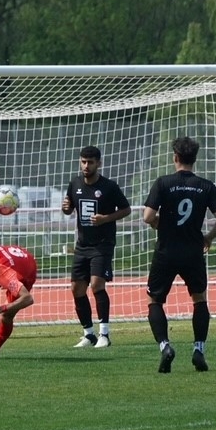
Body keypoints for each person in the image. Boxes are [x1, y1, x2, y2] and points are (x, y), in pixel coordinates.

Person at [143, 136, 216, 373]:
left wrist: (161, 224)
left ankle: (165, 346)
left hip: (166, 251)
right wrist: (208, 237)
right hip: (193, 251)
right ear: (194, 159)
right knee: (199, 299)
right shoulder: (206, 186)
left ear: (175, 157)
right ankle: (198, 349)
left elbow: (148, 217)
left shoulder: (163, 183)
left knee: (154, 300)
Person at [62, 146, 131, 348]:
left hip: (103, 245)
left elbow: (126, 209)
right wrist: (65, 208)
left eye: (90, 162)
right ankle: (88, 334)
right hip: (82, 245)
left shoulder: (109, 186)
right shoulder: (74, 184)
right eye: (83, 162)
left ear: (98, 163)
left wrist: (106, 219)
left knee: (96, 285)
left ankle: (104, 335)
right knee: (76, 289)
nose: (86, 166)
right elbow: (68, 208)